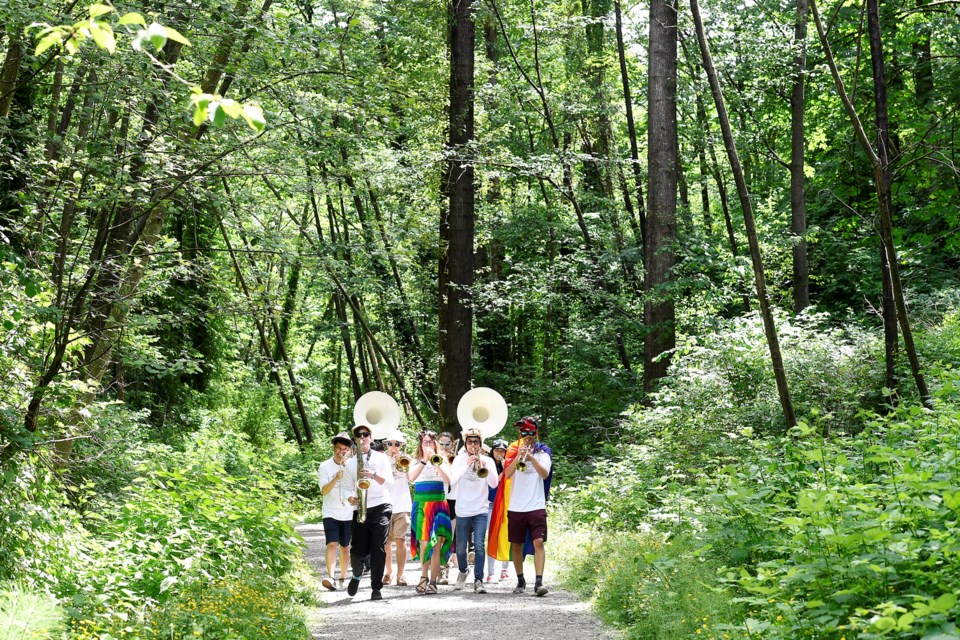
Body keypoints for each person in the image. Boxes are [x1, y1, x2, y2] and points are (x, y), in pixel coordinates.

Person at [489, 417, 553, 597]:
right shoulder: (513, 452)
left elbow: (544, 474)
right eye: (524, 433)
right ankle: (520, 579)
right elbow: (507, 475)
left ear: (536, 433)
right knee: (516, 545)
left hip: (536, 505)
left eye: (531, 433)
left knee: (538, 542)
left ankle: (539, 581)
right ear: (520, 435)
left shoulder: (543, 453)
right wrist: (519, 456)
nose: (528, 437)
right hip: (516, 506)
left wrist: (531, 458)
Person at [345, 423, 394, 601]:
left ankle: (376, 588)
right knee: (357, 551)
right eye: (359, 435)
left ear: (371, 438)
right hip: (360, 508)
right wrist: (351, 498)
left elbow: (390, 484)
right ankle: (357, 575)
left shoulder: (381, 459)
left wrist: (373, 475)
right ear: (355, 441)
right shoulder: (350, 464)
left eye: (366, 434)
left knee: (378, 547)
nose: (363, 437)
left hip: (381, 505)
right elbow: (345, 488)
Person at [450, 427, 498, 593]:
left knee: (479, 545)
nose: (473, 445)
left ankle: (479, 580)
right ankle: (463, 571)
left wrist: (485, 466)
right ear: (465, 443)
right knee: (461, 547)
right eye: (470, 442)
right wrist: (467, 465)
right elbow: (452, 480)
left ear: (480, 443)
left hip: (481, 509)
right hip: (463, 509)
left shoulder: (488, 461)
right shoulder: (459, 460)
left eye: (476, 442)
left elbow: (493, 484)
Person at [407, 431, 453, 595]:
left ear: (435, 445)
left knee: (436, 545)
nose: (428, 445)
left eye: (430, 443)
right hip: (421, 503)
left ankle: (433, 581)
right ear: (420, 444)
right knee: (424, 543)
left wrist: (437, 463)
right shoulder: (415, 461)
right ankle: (423, 576)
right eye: (425, 442)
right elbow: (411, 478)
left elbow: (448, 480)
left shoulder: (442, 460)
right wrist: (425, 461)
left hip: (438, 504)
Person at [317, 432, 356, 591]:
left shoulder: (353, 465)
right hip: (330, 512)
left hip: (348, 512)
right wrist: (336, 478)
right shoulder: (324, 466)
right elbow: (324, 491)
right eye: (339, 448)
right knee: (332, 544)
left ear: (349, 450)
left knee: (346, 547)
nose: (341, 452)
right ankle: (331, 577)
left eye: (345, 449)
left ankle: (343, 577)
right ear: (334, 448)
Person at [383, 429, 412, 587]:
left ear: (402, 445)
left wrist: (402, 464)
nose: (394, 447)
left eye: (397, 444)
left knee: (401, 540)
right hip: (384, 504)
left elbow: (412, 480)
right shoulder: (380, 460)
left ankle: (401, 575)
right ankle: (388, 572)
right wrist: (391, 463)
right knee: (386, 544)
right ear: (386, 444)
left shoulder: (407, 460)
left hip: (402, 505)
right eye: (391, 444)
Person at [485, 439, 511, 583]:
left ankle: (505, 569)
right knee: (491, 536)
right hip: (490, 504)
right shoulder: (487, 464)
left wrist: (506, 466)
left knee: (507, 535)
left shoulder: (510, 465)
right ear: (492, 451)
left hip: (506, 503)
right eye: (497, 450)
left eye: (502, 451)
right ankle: (491, 572)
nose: (500, 453)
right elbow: (493, 483)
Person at [436, 431, 457, 584]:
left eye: (447, 444)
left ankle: (445, 571)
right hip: (437, 499)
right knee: (436, 539)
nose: (444, 447)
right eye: (441, 444)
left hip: (453, 500)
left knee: (448, 538)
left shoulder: (457, 459)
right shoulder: (434, 458)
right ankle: (436, 570)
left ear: (453, 444)